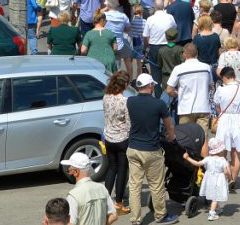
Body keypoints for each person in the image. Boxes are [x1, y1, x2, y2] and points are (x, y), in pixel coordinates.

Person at [126, 73, 178, 225]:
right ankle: (160, 216)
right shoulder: (159, 104)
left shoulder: (130, 101)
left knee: (134, 186)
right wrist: (171, 137)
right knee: (156, 185)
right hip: (151, 150)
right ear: (149, 86)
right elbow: (169, 125)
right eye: (152, 85)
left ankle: (135, 219)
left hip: (133, 148)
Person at [214, 67, 240, 186]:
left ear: (225, 77)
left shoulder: (221, 90)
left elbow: (217, 106)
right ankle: (233, 180)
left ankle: (227, 177)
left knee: (222, 152)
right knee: (236, 153)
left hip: (226, 119)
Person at [166, 43, 214, 133]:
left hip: (185, 108)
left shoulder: (178, 69)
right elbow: (210, 85)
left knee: (186, 138)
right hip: (203, 107)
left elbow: (169, 90)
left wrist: (177, 94)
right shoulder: (206, 67)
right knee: (203, 139)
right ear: (197, 53)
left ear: (184, 54)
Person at [102, 71, 131, 217]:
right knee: (122, 170)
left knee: (111, 168)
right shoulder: (124, 101)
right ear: (124, 85)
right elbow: (129, 123)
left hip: (109, 137)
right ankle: (118, 203)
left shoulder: (106, 97)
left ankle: (105, 201)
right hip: (122, 139)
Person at [60, 151, 117, 225]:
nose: (69, 173)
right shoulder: (102, 188)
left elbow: (71, 223)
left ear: (76, 171)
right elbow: (114, 215)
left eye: (69, 170)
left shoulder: (73, 195)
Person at [181, 138, 229, 221]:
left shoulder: (208, 159)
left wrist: (187, 158)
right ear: (220, 150)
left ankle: (215, 209)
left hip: (209, 180)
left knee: (213, 194)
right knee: (216, 197)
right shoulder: (223, 160)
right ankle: (212, 213)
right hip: (218, 180)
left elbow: (197, 163)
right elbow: (226, 172)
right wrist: (229, 176)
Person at [81, 9, 117, 74]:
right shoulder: (110, 33)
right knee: (110, 82)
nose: (106, 22)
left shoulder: (89, 33)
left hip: (93, 62)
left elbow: (83, 50)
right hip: (109, 61)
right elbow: (115, 48)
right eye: (106, 20)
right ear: (102, 20)